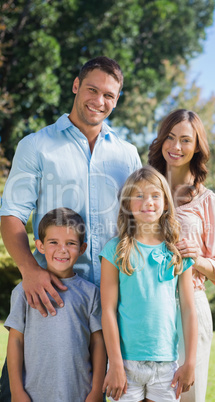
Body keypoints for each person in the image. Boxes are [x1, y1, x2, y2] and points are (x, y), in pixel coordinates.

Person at [0, 56, 141, 400]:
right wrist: (30, 272)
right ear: (76, 86)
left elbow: (140, 223)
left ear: (117, 99)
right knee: (28, 390)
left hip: (114, 301)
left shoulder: (128, 155)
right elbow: (10, 216)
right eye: (92, 89)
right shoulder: (37, 145)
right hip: (54, 298)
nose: (99, 100)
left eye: (109, 95)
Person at [148, 109, 215, 402]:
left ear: (197, 146)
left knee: (187, 394)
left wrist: (197, 259)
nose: (176, 146)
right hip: (145, 303)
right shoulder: (143, 190)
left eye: (186, 140)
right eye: (170, 137)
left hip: (190, 308)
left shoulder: (211, 202)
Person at [99, 166, 198, 402]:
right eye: (139, 196)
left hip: (166, 365)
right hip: (125, 363)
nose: (148, 202)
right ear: (127, 204)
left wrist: (190, 362)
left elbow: (188, 309)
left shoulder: (178, 251)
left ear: (165, 203)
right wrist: (114, 364)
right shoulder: (115, 250)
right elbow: (108, 311)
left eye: (155, 195)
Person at [4, 207, 106, 402]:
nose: (62, 249)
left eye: (70, 243)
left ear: (82, 248)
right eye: (53, 242)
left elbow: (98, 344)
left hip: (80, 394)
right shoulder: (23, 292)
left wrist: (96, 391)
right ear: (40, 246)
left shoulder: (91, 293)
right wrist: (17, 392)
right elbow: (15, 342)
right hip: (34, 395)